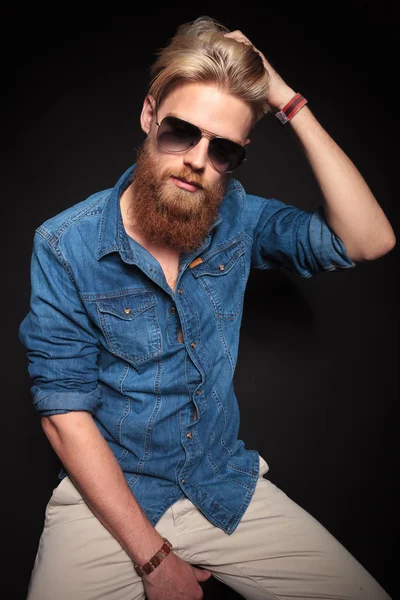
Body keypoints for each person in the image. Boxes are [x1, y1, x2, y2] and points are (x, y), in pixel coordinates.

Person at [19, 15, 395, 600]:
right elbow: (63, 414)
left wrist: (288, 102)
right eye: (179, 132)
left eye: (222, 148)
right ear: (149, 116)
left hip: (221, 484)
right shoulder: (65, 244)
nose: (197, 159)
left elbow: (368, 240)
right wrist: (153, 561)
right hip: (109, 501)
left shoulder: (237, 217)